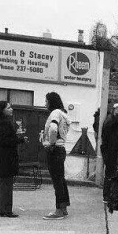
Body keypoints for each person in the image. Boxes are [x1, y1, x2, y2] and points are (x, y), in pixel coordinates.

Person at [0, 101, 25, 217]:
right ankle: (6, 210)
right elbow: (5, 141)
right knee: (7, 184)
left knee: (0, 182)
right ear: (2, 110)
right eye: (8, 107)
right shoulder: (5, 123)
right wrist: (20, 140)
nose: (11, 109)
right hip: (6, 158)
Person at [42, 92, 71, 220]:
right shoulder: (63, 114)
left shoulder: (55, 113)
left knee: (57, 181)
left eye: (47, 101)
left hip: (55, 149)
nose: (45, 103)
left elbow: (53, 129)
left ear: (51, 102)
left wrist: (51, 143)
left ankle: (58, 210)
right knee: (61, 179)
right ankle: (63, 208)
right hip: (61, 148)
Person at [101, 103, 118, 203]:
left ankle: (106, 196)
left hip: (109, 150)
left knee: (109, 173)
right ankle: (114, 196)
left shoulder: (110, 120)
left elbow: (104, 135)